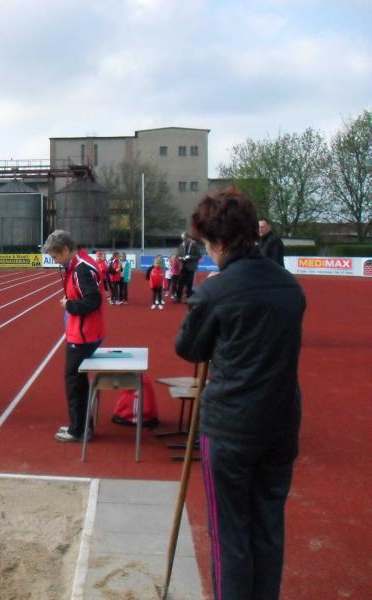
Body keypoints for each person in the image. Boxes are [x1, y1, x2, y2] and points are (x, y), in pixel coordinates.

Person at [175, 187, 306, 600]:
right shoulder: (289, 285)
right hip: (280, 423)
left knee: (229, 534)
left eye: (207, 243)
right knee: (268, 529)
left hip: (231, 427)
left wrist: (208, 300)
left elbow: (188, 348)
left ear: (219, 241)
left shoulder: (216, 290)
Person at [42, 230, 105, 443]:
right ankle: (82, 426)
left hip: (84, 335)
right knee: (77, 381)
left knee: (74, 383)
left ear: (66, 249)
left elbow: (93, 301)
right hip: (83, 332)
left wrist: (69, 305)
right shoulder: (78, 265)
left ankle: (78, 430)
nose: (55, 261)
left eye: (55, 256)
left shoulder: (81, 269)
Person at [175, 232, 201, 302]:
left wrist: (190, 257)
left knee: (189, 283)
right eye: (182, 239)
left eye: (185, 238)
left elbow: (199, 256)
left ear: (188, 237)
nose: (183, 240)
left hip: (191, 267)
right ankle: (178, 298)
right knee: (180, 282)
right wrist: (179, 257)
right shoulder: (181, 245)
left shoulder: (194, 244)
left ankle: (189, 299)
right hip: (183, 267)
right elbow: (177, 255)